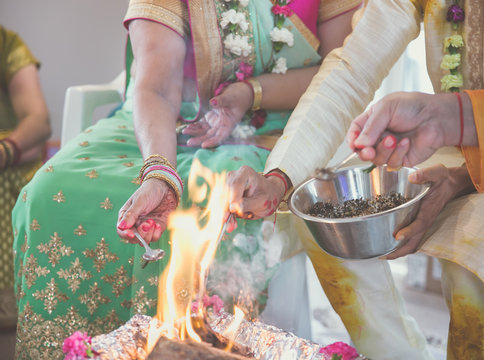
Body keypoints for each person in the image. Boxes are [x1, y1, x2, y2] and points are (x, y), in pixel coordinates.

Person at [11, 1, 361, 358]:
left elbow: (344, 72)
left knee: (224, 199)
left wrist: (251, 92)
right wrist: (160, 174)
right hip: (158, 119)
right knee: (49, 192)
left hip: (272, 122)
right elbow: (158, 88)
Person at [226, 0, 484, 359]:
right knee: (323, 199)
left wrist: (460, 168)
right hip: (444, 141)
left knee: (478, 236)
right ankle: (396, 354)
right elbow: (351, 69)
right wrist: (279, 177)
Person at [0, 25, 50, 329]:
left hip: (10, 161)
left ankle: (10, 303)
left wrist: (6, 150)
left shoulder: (6, 44)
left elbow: (38, 121)